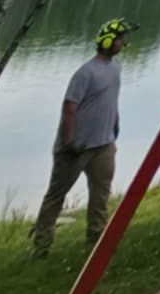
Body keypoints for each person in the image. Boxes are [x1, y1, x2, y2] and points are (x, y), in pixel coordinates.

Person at [30, 18, 133, 257]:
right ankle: (42, 244)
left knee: (101, 193)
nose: (123, 43)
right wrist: (69, 141)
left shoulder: (116, 67)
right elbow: (69, 107)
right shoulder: (85, 73)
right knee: (56, 195)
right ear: (107, 42)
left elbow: (111, 98)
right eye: (119, 39)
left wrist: (115, 122)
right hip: (77, 147)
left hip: (103, 144)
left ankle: (96, 237)